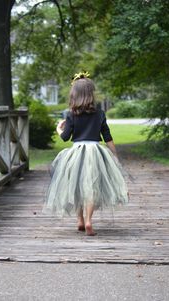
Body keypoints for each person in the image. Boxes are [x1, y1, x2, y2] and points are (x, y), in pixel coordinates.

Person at [44, 72, 128, 236]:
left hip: (76, 153)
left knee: (77, 186)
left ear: (74, 94)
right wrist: (115, 157)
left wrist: (58, 128)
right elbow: (108, 137)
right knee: (91, 187)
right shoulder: (100, 114)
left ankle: (80, 220)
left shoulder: (71, 115)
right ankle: (89, 221)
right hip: (95, 152)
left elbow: (66, 137)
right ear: (91, 94)